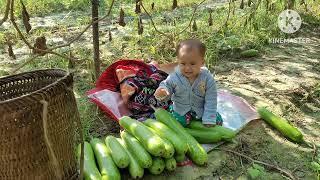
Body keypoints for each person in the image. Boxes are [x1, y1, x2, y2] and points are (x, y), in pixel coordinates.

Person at [154, 39, 223, 127]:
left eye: (192, 64)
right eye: (183, 64)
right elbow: (166, 84)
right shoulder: (175, 76)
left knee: (217, 121)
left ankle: (205, 119)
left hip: (201, 109)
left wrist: (209, 118)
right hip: (181, 109)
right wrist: (163, 90)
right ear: (178, 62)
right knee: (177, 124)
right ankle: (175, 113)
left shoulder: (207, 78)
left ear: (202, 62)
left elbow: (211, 99)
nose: (187, 68)